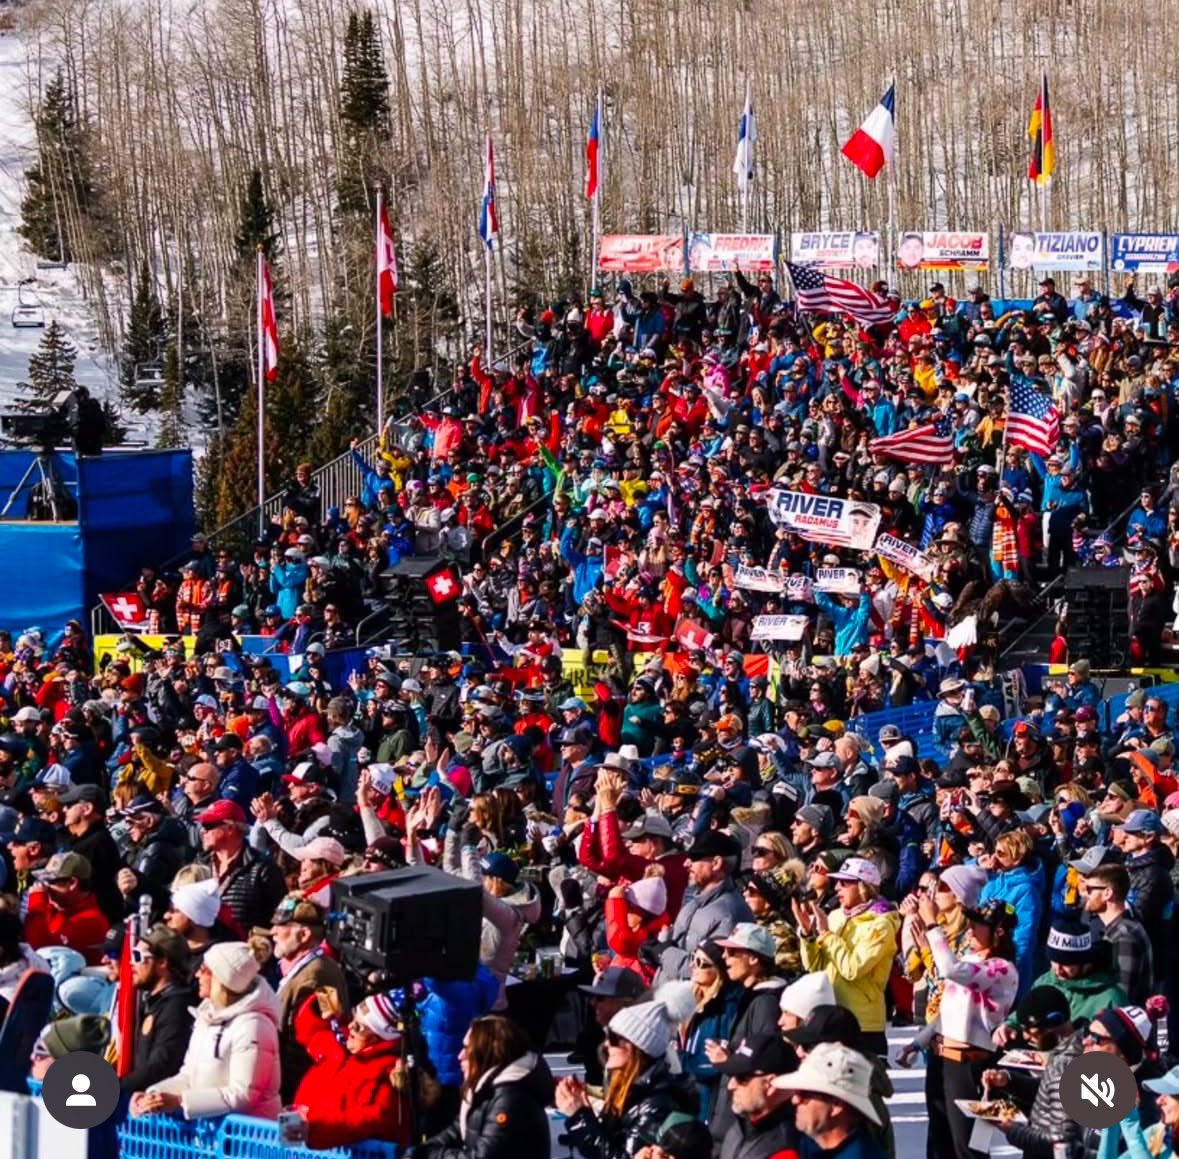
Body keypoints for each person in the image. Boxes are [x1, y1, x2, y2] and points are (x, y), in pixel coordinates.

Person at [899, 898, 1019, 1159]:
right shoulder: (969, 959)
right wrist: (918, 1043)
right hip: (942, 1060)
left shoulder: (1002, 969)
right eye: (970, 923)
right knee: (939, 1145)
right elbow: (948, 1013)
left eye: (977, 925)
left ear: (999, 931)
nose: (970, 930)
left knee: (970, 1147)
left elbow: (948, 968)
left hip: (973, 1066)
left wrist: (933, 925)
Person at [131, 941, 281, 1120]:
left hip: (247, 1134)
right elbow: (188, 1076)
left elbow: (243, 1095)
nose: (197, 974)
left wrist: (180, 1101)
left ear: (222, 979)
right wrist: (154, 1095)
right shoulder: (206, 1018)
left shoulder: (254, 1026)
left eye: (204, 970)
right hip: (211, 1131)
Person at [557, 1000, 699, 1159]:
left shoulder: (657, 1104)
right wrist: (583, 1107)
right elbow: (608, 1141)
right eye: (607, 1036)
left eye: (614, 1038)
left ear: (638, 1047)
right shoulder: (631, 1088)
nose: (606, 1044)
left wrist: (579, 1116)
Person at [795, 857, 899, 1055]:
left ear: (862, 886)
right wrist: (808, 936)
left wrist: (826, 935)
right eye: (836, 882)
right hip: (832, 1017)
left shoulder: (881, 925)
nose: (836, 888)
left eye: (844, 883)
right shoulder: (836, 916)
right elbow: (815, 967)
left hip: (863, 1024)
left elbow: (853, 969)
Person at [414, 1014, 554, 1159]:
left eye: (467, 1049)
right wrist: (421, 1152)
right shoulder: (486, 1087)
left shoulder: (510, 1097)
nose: (460, 1056)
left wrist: (430, 1155)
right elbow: (458, 1129)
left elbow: (484, 1156)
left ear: (487, 1053)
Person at [291, 987, 414, 1149]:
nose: (350, 1026)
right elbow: (310, 1033)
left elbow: (373, 1118)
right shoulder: (342, 1044)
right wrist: (321, 1004)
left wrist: (315, 1130)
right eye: (353, 1017)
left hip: (334, 1149)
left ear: (378, 1037)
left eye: (358, 1027)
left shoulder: (387, 1071)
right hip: (300, 1143)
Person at [981, 985, 1085, 1157]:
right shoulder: (1069, 1050)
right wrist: (1008, 1080)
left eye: (1030, 1029)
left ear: (1053, 1022)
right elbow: (1050, 1091)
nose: (1026, 1036)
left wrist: (1011, 1129)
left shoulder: (1067, 1062)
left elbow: (1059, 1141)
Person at [269, 896, 350, 1102]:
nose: (273, 932)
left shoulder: (318, 977)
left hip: (297, 1091)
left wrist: (286, 1094)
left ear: (304, 934)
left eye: (281, 926)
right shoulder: (309, 969)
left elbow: (320, 1035)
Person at [118, 924, 195, 1096]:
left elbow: (160, 1068)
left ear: (162, 962)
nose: (131, 963)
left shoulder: (177, 1006)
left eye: (138, 956)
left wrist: (113, 1088)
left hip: (158, 1104)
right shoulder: (152, 1002)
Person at [772, 1041, 885, 1158]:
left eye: (804, 1094)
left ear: (836, 1105)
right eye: (795, 1092)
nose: (795, 1100)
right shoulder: (806, 1143)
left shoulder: (859, 1155)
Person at [714, 1032, 799, 1159]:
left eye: (741, 1078)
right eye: (731, 1076)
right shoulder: (742, 1126)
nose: (731, 1086)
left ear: (769, 1085)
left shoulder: (785, 1152)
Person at [23, 851, 110, 965]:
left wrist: (37, 905)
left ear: (73, 883)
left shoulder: (92, 921)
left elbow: (43, 956)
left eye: (50, 881)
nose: (46, 887)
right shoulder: (57, 908)